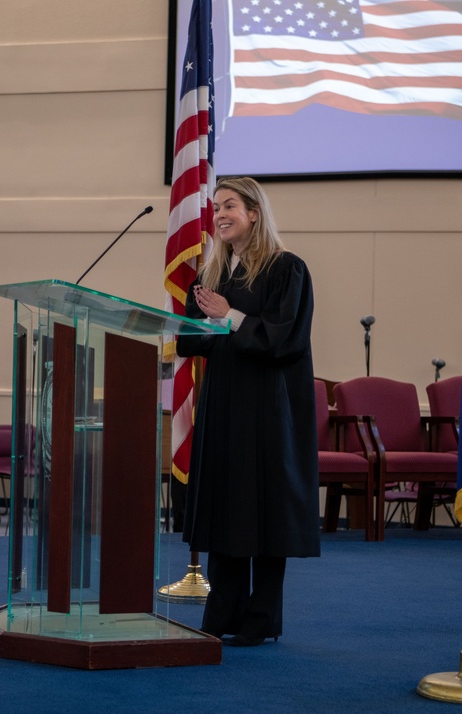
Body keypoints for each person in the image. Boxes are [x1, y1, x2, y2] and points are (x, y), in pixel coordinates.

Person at [177, 176, 319, 647]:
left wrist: (227, 316)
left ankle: (261, 621)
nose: (219, 214)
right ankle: (222, 617)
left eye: (230, 206)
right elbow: (189, 336)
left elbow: (284, 340)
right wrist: (199, 321)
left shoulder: (286, 270)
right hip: (223, 410)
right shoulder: (212, 275)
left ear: (254, 213)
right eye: (215, 207)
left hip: (267, 413)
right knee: (226, 511)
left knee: (264, 514)